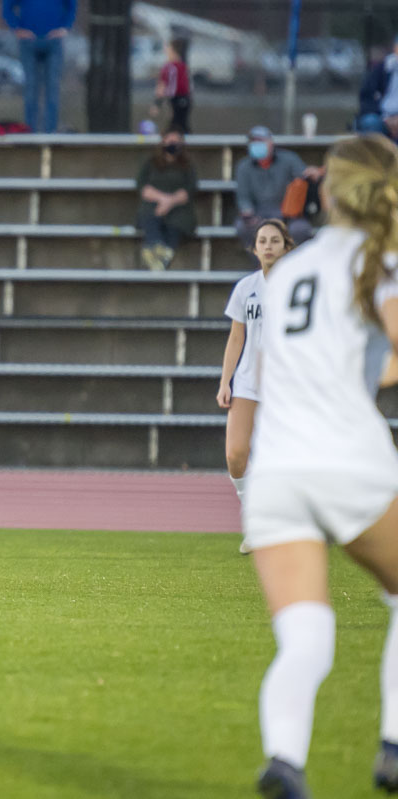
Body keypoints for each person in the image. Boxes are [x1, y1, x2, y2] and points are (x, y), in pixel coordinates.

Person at [241, 134, 398, 797]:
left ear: (327, 192)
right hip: (350, 460)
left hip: (275, 471)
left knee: (304, 634)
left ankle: (285, 761)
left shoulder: (291, 269)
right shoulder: (382, 261)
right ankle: (393, 744)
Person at [216, 219, 295, 555]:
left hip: (285, 382)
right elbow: (237, 337)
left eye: (274, 240)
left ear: (286, 246)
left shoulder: (296, 287)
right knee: (236, 454)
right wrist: (225, 381)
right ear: (254, 247)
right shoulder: (246, 287)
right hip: (248, 381)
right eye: (262, 240)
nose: (267, 246)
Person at [234, 126, 321, 248]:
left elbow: (304, 177)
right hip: (259, 213)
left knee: (300, 229)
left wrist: (313, 174)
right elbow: (243, 197)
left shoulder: (289, 159)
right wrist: (249, 214)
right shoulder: (243, 166)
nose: (257, 145)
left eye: (261, 141)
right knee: (243, 227)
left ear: (271, 142)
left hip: (288, 213)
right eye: (253, 142)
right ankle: (261, 263)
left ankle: (290, 263)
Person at [3, 0, 76, 133]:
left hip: (53, 43)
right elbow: (7, 8)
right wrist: (17, 28)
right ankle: (30, 132)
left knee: (52, 88)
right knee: (31, 88)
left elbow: (71, 6)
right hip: (28, 43)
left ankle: (51, 131)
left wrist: (65, 27)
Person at [135, 127, 197, 271]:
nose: (172, 144)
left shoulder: (187, 166)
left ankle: (161, 257)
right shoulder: (151, 163)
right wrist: (162, 199)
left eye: (176, 141)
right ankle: (158, 250)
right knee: (149, 215)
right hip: (153, 205)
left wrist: (169, 202)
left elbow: (189, 190)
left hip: (179, 208)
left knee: (177, 222)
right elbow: (142, 187)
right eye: (169, 140)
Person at [358, 35, 398, 140]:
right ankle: (375, 155)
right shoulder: (383, 68)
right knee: (370, 122)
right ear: (395, 48)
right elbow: (366, 97)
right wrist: (386, 119)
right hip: (382, 116)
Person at [154, 38, 192, 134]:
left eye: (168, 49)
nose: (166, 51)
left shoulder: (171, 67)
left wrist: (157, 103)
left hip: (177, 99)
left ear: (173, 51)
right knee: (179, 123)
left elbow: (162, 87)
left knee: (177, 124)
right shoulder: (181, 66)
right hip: (182, 99)